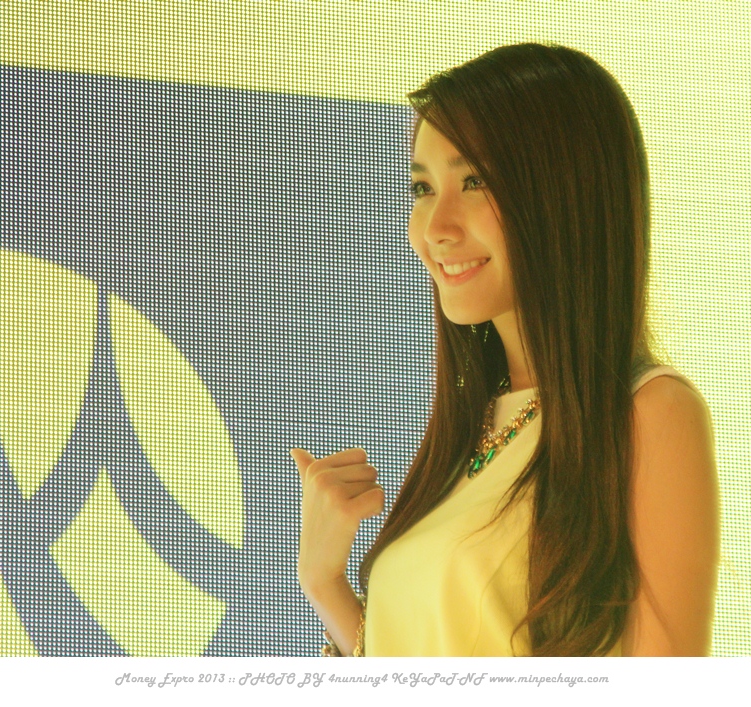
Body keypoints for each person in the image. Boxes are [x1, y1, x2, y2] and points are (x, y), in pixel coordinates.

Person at [292, 43, 719, 657]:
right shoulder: (475, 423)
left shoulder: (648, 414)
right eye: (422, 186)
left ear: (567, 192)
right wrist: (323, 581)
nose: (435, 226)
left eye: (474, 181)